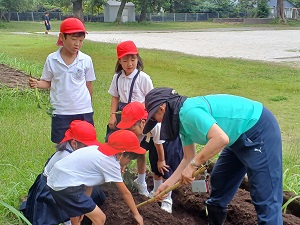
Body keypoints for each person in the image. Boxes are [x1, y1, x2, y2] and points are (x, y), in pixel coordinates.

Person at [143, 87, 283, 225]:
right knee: (220, 182)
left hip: (257, 128)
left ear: (162, 108)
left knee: (265, 197)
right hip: (235, 136)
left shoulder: (188, 113)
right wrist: (167, 184)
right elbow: (188, 158)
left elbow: (221, 139)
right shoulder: (180, 122)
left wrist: (194, 165)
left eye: (155, 117)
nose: (158, 122)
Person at [47, 130, 146, 225]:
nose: (128, 163)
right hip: (66, 186)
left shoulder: (96, 150)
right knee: (100, 218)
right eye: (130, 159)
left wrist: (83, 208)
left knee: (77, 217)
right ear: (122, 154)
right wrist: (136, 214)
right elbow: (125, 193)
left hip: (58, 180)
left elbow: (89, 183)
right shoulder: (110, 163)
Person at [20, 120, 106, 225]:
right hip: (50, 191)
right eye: (86, 147)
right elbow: (70, 192)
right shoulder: (65, 157)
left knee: (96, 193)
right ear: (74, 143)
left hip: (67, 185)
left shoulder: (74, 151)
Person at [29, 17, 96, 144]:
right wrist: (37, 83)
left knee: (85, 145)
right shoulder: (52, 59)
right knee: (62, 145)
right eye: (73, 39)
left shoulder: (86, 60)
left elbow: (89, 85)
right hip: (61, 111)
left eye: (81, 40)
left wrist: (89, 105)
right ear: (62, 37)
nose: (77, 44)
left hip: (83, 110)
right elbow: (47, 82)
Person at [116, 101, 183, 213]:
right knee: (154, 163)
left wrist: (161, 160)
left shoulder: (156, 125)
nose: (130, 132)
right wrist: (122, 163)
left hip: (169, 138)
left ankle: (167, 199)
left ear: (142, 122)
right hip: (154, 139)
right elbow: (134, 148)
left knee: (166, 167)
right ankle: (156, 190)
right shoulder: (138, 127)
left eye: (132, 130)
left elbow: (159, 143)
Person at [106, 40, 154, 197]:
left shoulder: (143, 78)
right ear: (119, 61)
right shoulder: (117, 78)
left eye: (133, 59)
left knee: (139, 151)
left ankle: (141, 181)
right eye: (125, 60)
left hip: (137, 120)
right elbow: (115, 97)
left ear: (138, 59)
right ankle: (116, 176)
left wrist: (137, 108)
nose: (129, 63)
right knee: (117, 147)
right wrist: (113, 115)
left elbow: (151, 99)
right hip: (122, 118)